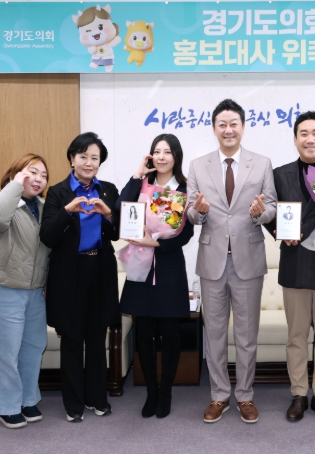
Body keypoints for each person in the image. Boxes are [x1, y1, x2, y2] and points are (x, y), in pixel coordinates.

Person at [186, 99, 277, 424]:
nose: (228, 129)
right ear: (214, 128)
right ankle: (219, 395)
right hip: (212, 261)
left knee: (246, 334)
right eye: (222, 124)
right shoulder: (198, 165)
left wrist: (260, 214)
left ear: (242, 127)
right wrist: (199, 212)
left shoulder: (261, 163)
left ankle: (245, 395)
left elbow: (272, 207)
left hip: (248, 260)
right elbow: (189, 212)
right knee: (214, 334)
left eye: (233, 124)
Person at [264, 111, 315, 422]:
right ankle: (298, 394)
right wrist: (278, 233)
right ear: (295, 139)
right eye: (304, 134)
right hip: (295, 263)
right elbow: (271, 214)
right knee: (296, 336)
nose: (310, 139)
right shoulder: (280, 174)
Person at [40, 132, 120, 423]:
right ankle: (73, 404)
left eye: (94, 158)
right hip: (68, 274)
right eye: (83, 156)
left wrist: (108, 214)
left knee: (97, 338)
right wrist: (67, 210)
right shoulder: (58, 192)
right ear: (72, 158)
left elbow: (117, 233)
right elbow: (47, 236)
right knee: (72, 340)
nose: (89, 162)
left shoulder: (108, 190)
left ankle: (97, 398)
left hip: (100, 270)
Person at [117, 133, 194, 419]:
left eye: (167, 152)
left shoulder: (185, 188)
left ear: (176, 156)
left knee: (171, 333)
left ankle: (166, 391)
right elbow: (121, 208)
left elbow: (187, 233)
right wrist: (137, 175)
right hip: (140, 265)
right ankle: (151, 390)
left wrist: (158, 244)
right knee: (144, 332)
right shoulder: (142, 184)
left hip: (168, 264)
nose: (162, 157)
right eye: (157, 152)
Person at [0, 154, 51, 429]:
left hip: (35, 290)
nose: (38, 179)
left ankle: (27, 399)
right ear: (15, 174)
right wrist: (14, 185)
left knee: (34, 346)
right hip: (5, 287)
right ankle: (7, 406)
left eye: (44, 175)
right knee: (7, 350)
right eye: (32, 172)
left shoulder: (45, 208)